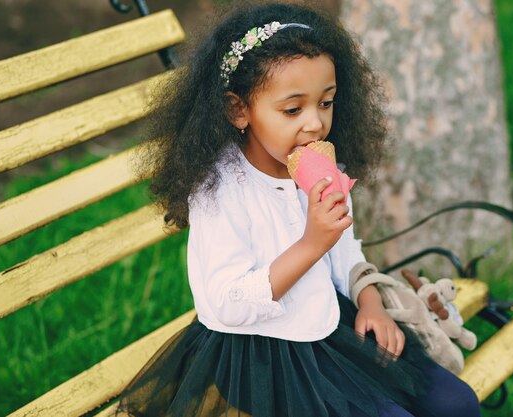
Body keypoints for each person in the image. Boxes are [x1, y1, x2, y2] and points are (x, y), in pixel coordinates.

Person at [115, 2, 481, 416]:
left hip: (329, 325)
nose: (315, 124)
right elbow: (225, 303)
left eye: (326, 102)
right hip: (262, 355)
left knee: (457, 403)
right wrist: (310, 243)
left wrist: (369, 300)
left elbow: (344, 250)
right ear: (239, 110)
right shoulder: (220, 190)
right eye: (293, 109)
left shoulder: (320, 165)